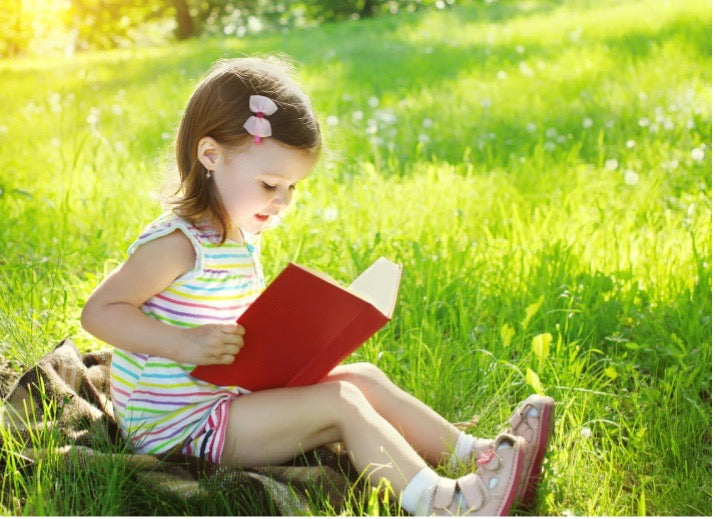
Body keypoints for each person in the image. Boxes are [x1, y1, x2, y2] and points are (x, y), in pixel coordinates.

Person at [81, 56, 554, 516]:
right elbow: (100, 312)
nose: (282, 201)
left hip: (222, 400)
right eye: (270, 184)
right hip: (177, 428)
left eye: (292, 187)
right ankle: (446, 504)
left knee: (361, 378)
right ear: (211, 156)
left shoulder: (240, 230)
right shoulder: (177, 243)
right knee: (340, 403)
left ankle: (477, 456)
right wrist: (184, 343)